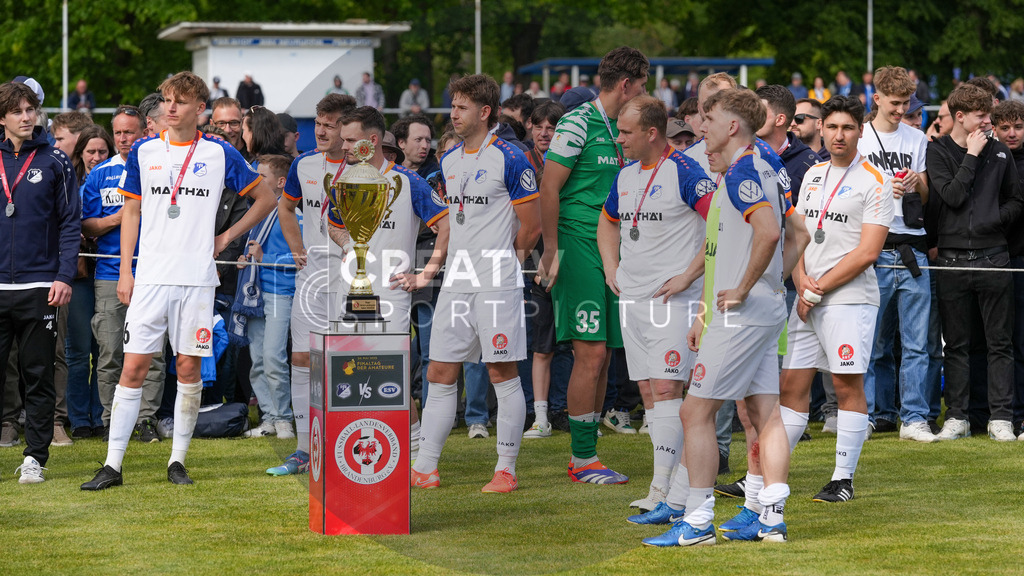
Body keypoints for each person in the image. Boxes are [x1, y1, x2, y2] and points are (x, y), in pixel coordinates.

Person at [81, 71, 276, 490]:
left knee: (188, 367)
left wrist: (226, 236)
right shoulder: (145, 151)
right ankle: (113, 465)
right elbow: (131, 211)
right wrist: (127, 270)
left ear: (199, 109)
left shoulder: (220, 153)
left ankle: (177, 461)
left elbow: (266, 197)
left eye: (181, 101)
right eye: (167, 99)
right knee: (132, 367)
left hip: (196, 282)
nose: (170, 107)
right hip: (150, 279)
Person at [643, 87, 796, 547]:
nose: (701, 127)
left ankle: (698, 520)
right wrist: (772, 283)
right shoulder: (765, 164)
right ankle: (770, 517)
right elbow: (800, 231)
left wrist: (747, 287)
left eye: (709, 118)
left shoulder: (743, 170)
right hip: (762, 310)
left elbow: (771, 232)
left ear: (733, 126)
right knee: (765, 413)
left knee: (695, 411)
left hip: (742, 314)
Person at [411, 74, 541, 494]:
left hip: (496, 283)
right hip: (456, 282)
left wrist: (508, 261)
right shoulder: (449, 160)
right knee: (440, 371)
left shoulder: (511, 156)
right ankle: (425, 467)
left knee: (501, 371)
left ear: (486, 112)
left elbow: (532, 224)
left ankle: (506, 468)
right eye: (453, 104)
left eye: (462, 106)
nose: (454, 112)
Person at [596, 95, 714, 516]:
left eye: (625, 132)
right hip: (633, 299)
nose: (619, 139)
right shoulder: (626, 175)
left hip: (673, 301)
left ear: (651, 132)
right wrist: (612, 267)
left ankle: (665, 489)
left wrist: (689, 275)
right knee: (648, 392)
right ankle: (667, 485)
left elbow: (720, 222)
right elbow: (607, 221)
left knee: (667, 388)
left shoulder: (685, 171)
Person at [538, 46, 649, 484]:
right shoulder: (577, 121)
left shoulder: (627, 129)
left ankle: (590, 455)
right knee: (591, 352)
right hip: (578, 243)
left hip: (614, 249)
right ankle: (582, 459)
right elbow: (549, 188)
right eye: (641, 85)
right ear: (626, 84)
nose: (644, 93)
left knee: (603, 356)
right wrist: (551, 251)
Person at [780, 95, 893, 505]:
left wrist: (815, 288)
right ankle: (767, 473)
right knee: (790, 385)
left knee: (846, 385)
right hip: (807, 293)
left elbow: (868, 253)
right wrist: (800, 279)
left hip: (848, 300)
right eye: (831, 127)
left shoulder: (875, 181)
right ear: (820, 129)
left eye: (847, 127)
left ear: (861, 130)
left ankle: (842, 478)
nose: (838, 135)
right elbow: (796, 235)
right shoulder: (812, 174)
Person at [927, 83, 1024, 442]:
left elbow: (1016, 199)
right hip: (951, 261)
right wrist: (970, 155)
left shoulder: (1000, 152)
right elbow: (951, 196)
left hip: (995, 257)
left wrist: (994, 221)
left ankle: (1000, 417)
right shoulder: (936, 152)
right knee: (956, 344)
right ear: (960, 117)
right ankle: (957, 417)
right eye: (982, 117)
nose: (989, 123)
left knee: (1000, 342)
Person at [268, 93, 357, 476]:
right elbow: (285, 207)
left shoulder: (365, 168)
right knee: (302, 357)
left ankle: (349, 444)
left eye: (330, 124)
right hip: (310, 275)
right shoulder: (304, 164)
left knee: (347, 362)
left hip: (351, 275)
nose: (320, 130)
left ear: (347, 128)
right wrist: (296, 248)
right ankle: (305, 448)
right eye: (318, 123)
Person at [0, 81, 80, 483]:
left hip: (39, 287)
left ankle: (35, 458)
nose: (27, 117)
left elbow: (70, 223)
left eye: (30, 109)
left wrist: (64, 275)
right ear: (3, 118)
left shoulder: (56, 161)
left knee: (38, 375)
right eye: (17, 111)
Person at [79, 105, 167, 443]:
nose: (123, 138)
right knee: (110, 352)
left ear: (143, 131)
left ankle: (145, 420)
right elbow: (86, 225)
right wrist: (122, 217)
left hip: (155, 273)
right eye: (118, 132)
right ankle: (110, 420)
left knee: (154, 355)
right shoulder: (100, 174)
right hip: (110, 275)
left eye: (129, 132)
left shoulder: (159, 167)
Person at [856, 66, 933, 441]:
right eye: (895, 103)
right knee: (873, 344)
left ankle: (915, 417)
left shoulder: (917, 139)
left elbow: (929, 198)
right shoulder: (859, 139)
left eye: (906, 103)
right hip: (874, 247)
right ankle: (875, 413)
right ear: (877, 99)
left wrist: (917, 182)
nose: (901, 110)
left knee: (917, 343)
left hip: (913, 247)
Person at [239, 154, 300, 439]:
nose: (256, 182)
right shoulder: (258, 212)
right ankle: (269, 417)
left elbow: (302, 257)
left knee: (274, 357)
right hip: (255, 296)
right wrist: (247, 260)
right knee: (258, 361)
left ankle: (285, 419)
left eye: (261, 177)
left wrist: (265, 258)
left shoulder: (294, 213)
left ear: (281, 182)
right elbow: (254, 251)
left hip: (280, 292)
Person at [521, 100, 567, 440]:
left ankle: (580, 415)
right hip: (536, 262)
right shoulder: (522, 163)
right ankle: (540, 417)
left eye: (552, 127)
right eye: (539, 126)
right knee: (541, 345)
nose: (545, 132)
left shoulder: (572, 162)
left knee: (581, 344)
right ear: (530, 128)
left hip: (572, 254)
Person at [993, 99, 1024, 438]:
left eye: (1018, 126)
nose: (1012, 133)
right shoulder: (990, 160)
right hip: (998, 258)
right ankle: (1004, 413)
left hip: (1019, 260)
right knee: (1004, 341)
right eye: (1005, 127)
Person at [755, 84, 821, 196]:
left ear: (780, 120)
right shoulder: (741, 153)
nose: (752, 117)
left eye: (760, 113)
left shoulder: (811, 165)